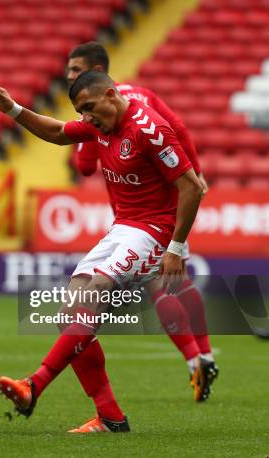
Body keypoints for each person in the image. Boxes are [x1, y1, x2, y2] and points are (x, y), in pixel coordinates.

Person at [0, 71, 204, 433]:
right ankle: (110, 416)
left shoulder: (149, 128)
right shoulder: (100, 126)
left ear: (112, 95)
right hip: (122, 229)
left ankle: (34, 384)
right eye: (80, 111)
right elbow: (57, 133)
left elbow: (192, 187)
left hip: (154, 232)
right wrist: (13, 110)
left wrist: (177, 248)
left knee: (94, 293)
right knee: (69, 310)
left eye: (89, 107)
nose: (85, 117)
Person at [66, 42, 218, 398]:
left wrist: (88, 137)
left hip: (140, 214)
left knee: (158, 285)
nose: (70, 76)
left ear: (96, 71)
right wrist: (194, 171)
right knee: (173, 282)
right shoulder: (141, 94)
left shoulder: (97, 111)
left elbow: (85, 167)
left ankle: (196, 360)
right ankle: (202, 357)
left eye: (76, 70)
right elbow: (178, 126)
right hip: (163, 203)